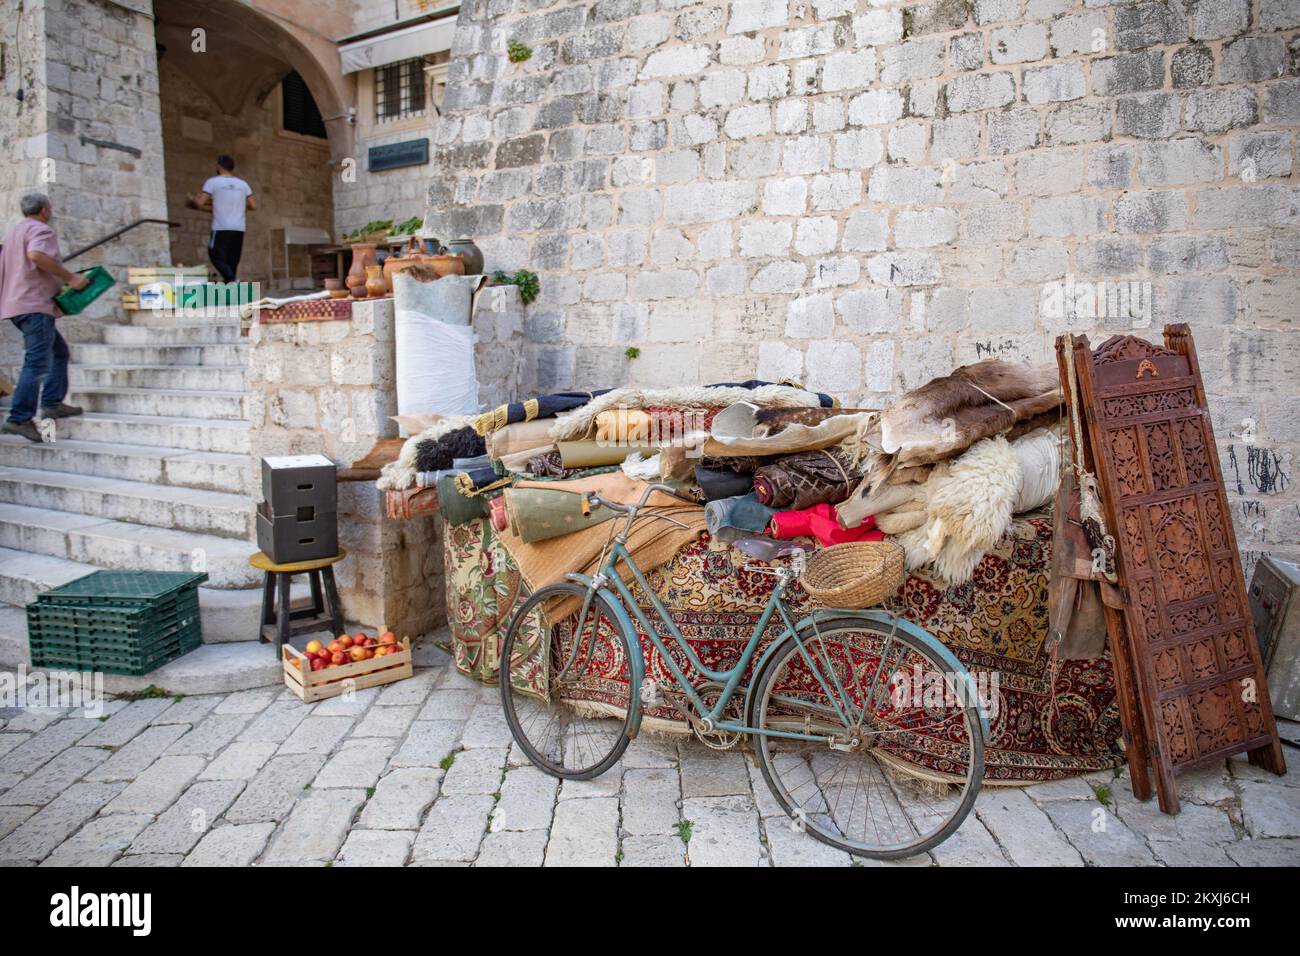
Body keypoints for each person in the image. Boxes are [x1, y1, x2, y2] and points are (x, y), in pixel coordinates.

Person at [0, 192, 87, 443]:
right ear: (45, 210)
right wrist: (71, 278)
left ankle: (52, 402)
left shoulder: (15, 232)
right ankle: (19, 418)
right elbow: (37, 256)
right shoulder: (41, 230)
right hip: (34, 305)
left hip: (16, 306)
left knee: (58, 352)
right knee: (37, 362)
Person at [188, 154, 256, 282]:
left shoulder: (213, 182)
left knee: (214, 254)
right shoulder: (243, 184)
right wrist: (240, 207)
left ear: (219, 166)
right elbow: (253, 205)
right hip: (239, 228)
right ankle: (231, 295)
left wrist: (193, 200)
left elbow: (200, 203)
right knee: (232, 261)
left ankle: (232, 279)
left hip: (221, 227)